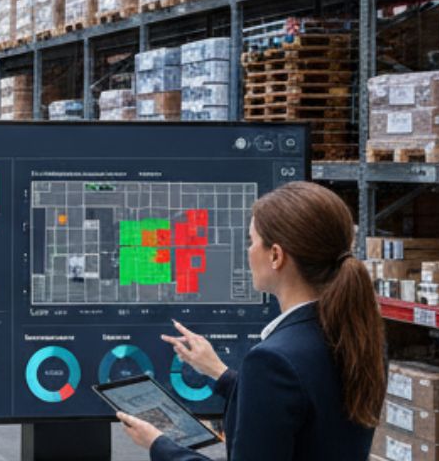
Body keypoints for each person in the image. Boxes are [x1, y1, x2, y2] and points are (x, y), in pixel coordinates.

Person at [117, 181, 384, 461]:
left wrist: (158, 443)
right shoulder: (358, 335)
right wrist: (220, 373)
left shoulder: (273, 360)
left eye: (251, 241)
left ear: (276, 255)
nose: (248, 251)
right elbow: (304, 409)